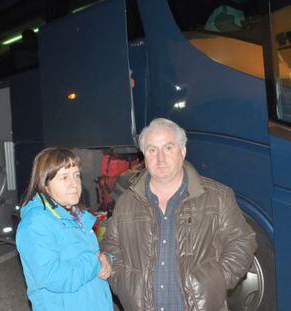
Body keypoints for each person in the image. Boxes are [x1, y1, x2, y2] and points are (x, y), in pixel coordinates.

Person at [101, 118, 257, 311]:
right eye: (152, 150)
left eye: (168, 148)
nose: (160, 158)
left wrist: (217, 279)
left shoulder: (218, 197)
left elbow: (243, 241)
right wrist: (125, 284)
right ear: (144, 156)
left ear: (182, 152)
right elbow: (111, 247)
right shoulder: (126, 202)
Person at [16, 147, 113, 311]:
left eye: (76, 175)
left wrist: (107, 259)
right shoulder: (36, 223)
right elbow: (52, 276)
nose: (74, 184)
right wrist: (95, 262)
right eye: (64, 177)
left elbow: (92, 254)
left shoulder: (77, 216)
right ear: (45, 184)